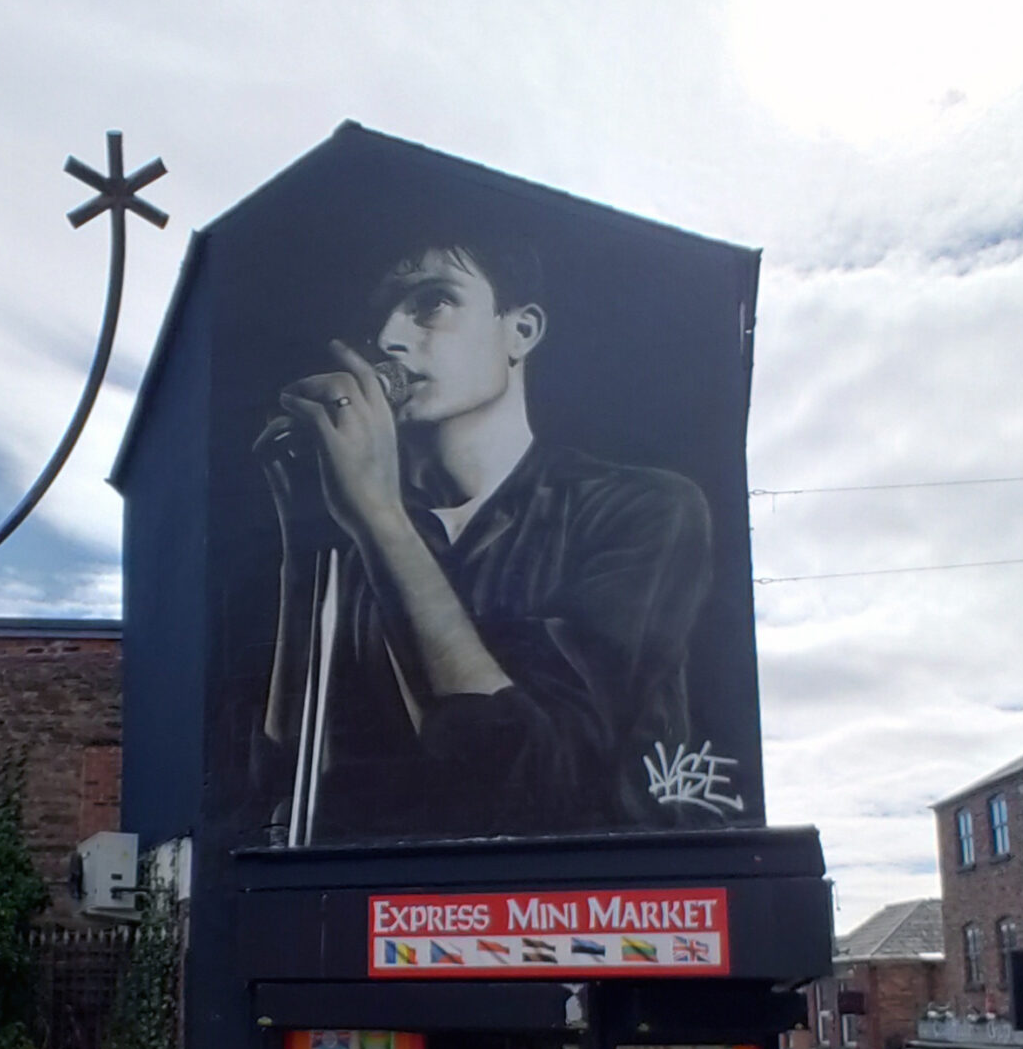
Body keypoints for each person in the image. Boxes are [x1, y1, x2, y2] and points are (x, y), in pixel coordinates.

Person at [255, 217, 717, 841]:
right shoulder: (363, 533)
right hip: (388, 916)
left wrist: (380, 519)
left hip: (575, 918)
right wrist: (307, 545)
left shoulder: (642, 509)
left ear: (520, 331)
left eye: (431, 303)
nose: (390, 338)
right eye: (380, 317)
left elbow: (530, 776)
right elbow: (287, 760)